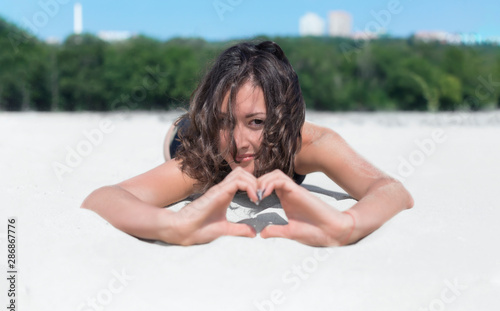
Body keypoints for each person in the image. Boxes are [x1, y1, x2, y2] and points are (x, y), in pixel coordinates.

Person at [81, 40, 414, 247]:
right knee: (200, 130)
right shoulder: (206, 158)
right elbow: (104, 197)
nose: (240, 143)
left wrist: (347, 225)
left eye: (257, 122)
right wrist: (173, 226)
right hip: (188, 134)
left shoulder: (309, 143)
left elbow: (391, 190)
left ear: (284, 119)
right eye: (226, 122)